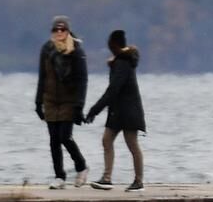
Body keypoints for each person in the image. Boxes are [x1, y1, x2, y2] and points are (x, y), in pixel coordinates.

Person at [85, 29, 146, 191]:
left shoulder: (123, 63)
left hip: (129, 112)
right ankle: (106, 178)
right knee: (107, 140)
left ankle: (139, 182)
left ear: (114, 45)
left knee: (132, 144)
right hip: (118, 111)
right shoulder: (120, 61)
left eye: (110, 45)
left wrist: (94, 110)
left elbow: (113, 90)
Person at [34, 15, 89, 189]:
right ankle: (60, 176)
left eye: (62, 29)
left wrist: (79, 105)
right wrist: (38, 103)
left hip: (69, 100)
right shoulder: (47, 49)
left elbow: (82, 80)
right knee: (53, 140)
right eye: (56, 30)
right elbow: (42, 77)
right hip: (50, 100)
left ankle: (81, 166)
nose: (59, 33)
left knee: (65, 136)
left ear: (68, 31)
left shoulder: (76, 51)